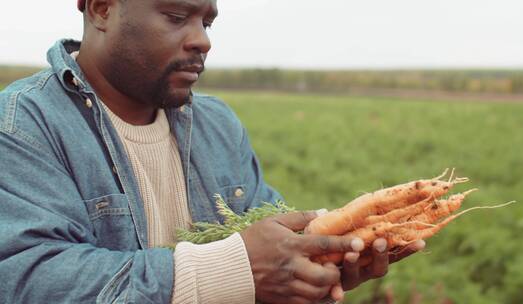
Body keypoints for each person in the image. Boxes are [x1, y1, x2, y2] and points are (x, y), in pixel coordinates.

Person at [0, 0, 425, 303]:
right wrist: (234, 270)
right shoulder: (23, 123)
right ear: (101, 8)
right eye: (176, 16)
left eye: (207, 22)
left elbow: (269, 255)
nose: (202, 41)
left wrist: (312, 271)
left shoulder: (217, 124)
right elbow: (28, 279)